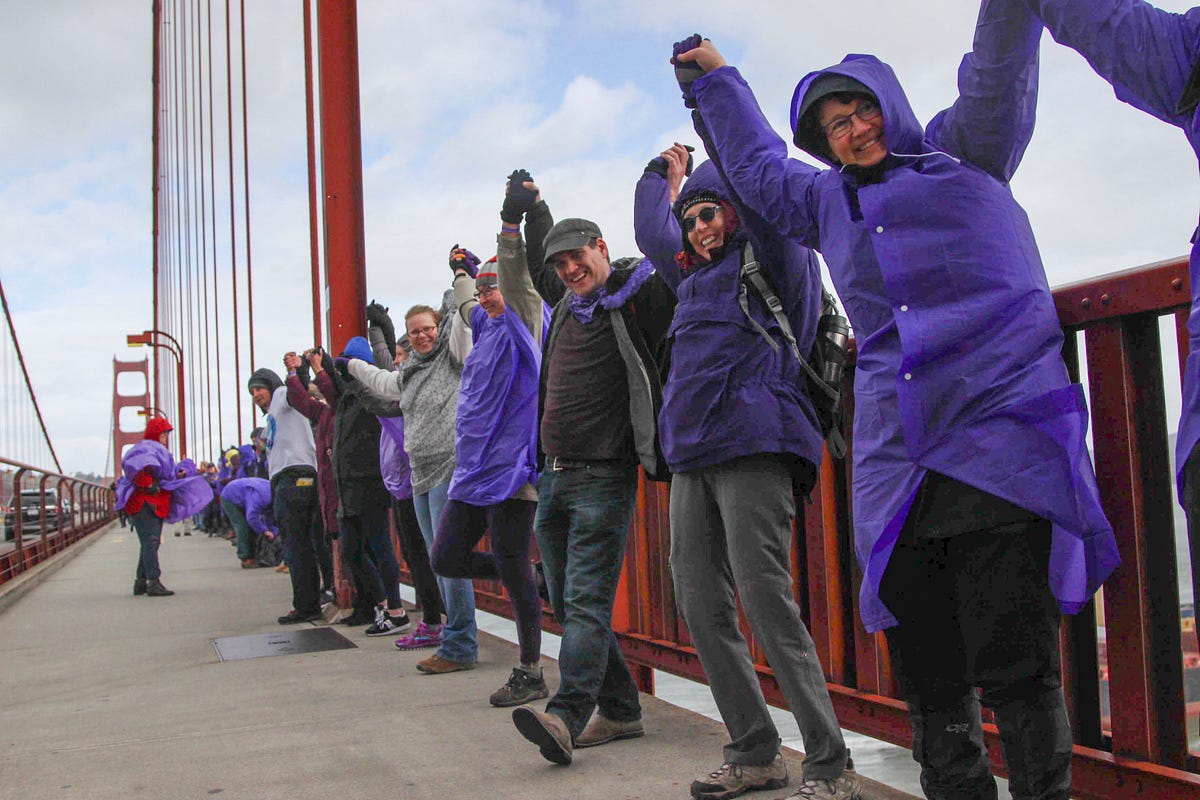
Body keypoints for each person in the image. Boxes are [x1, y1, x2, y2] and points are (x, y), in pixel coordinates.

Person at [669, 10, 1121, 799]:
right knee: (929, 671)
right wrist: (715, 81)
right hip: (900, 462)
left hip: (998, 443)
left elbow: (996, 71)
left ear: (892, 105)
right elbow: (758, 163)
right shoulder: (826, 204)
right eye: (835, 125)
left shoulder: (968, 150)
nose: (854, 130)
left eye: (863, 110)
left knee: (1016, 664)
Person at [634, 149, 857, 799]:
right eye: (692, 217)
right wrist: (661, 174)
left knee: (765, 598)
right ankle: (756, 750)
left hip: (757, 443)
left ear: (737, 212)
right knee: (699, 600)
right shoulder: (690, 278)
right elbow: (655, 231)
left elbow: (760, 200)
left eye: (713, 212)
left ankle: (830, 761)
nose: (701, 227)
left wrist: (714, 130)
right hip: (695, 453)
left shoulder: (779, 258)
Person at [509, 211, 675, 765]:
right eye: (561, 264)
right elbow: (534, 265)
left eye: (578, 256)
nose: (570, 269)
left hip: (603, 478)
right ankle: (623, 710)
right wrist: (531, 210)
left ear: (602, 248)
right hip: (553, 475)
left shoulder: (633, 297)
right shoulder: (565, 313)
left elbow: (669, 265)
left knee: (583, 603)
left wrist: (668, 193)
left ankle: (566, 714)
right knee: (567, 601)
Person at [426, 171, 551, 707]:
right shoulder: (483, 322)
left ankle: (530, 669)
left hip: (514, 467)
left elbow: (517, 275)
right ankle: (534, 580)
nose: (487, 295)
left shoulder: (525, 315)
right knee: (446, 558)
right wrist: (463, 270)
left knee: (509, 561)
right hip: (474, 467)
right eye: (483, 290)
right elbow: (462, 299)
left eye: (492, 287)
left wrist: (509, 222)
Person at [348, 257, 476, 670]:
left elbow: (462, 318)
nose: (421, 336)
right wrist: (350, 365)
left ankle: (460, 645)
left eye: (427, 328)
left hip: (448, 467)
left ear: (437, 329)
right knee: (439, 559)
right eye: (414, 331)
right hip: (420, 474)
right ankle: (454, 638)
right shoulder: (410, 370)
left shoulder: (452, 356)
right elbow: (384, 384)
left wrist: (461, 277)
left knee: (448, 559)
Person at [366, 308, 447, 645]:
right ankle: (440, 623)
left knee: (430, 556)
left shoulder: (416, 381)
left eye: (402, 356)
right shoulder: (407, 378)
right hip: (405, 482)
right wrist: (379, 330)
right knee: (426, 556)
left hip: (421, 477)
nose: (398, 361)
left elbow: (382, 383)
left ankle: (436, 622)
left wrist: (379, 330)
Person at [323, 335, 413, 638]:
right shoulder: (346, 398)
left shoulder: (371, 393)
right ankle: (384, 603)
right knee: (352, 552)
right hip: (346, 487)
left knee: (380, 548)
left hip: (370, 482)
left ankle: (395, 610)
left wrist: (381, 331)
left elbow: (388, 382)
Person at [249, 366, 324, 625]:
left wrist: (296, 370)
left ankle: (306, 605)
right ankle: (315, 599)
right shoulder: (274, 412)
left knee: (296, 543)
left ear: (271, 385)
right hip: (295, 476)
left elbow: (297, 391)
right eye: (252, 391)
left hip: (294, 476)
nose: (256, 394)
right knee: (308, 541)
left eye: (259, 388)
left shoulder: (282, 395)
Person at [114, 416, 213, 597]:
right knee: (151, 542)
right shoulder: (147, 449)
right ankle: (153, 581)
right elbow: (136, 467)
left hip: (148, 502)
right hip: (147, 502)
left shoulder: (150, 449)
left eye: (166, 434)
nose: (166, 437)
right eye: (164, 433)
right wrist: (148, 484)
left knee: (148, 542)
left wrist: (178, 474)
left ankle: (141, 582)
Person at [221, 476, 277, 568]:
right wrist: (264, 530)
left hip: (245, 493)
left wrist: (271, 531)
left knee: (255, 527)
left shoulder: (274, 495)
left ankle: (256, 555)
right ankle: (245, 558)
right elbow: (251, 517)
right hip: (230, 496)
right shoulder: (261, 497)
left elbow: (270, 517)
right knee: (242, 527)